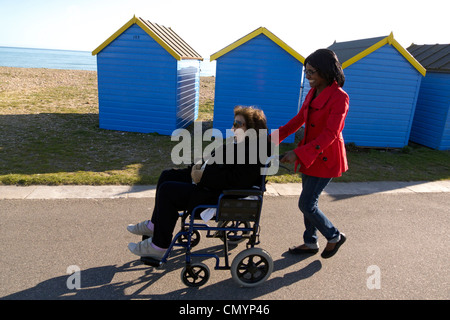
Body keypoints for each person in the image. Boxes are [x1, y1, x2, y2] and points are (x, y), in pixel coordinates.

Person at [127, 106, 270, 260]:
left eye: (237, 124)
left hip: (218, 195)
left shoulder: (255, 152)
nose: (232, 127)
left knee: (168, 191)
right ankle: (154, 226)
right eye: (234, 123)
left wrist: (202, 176)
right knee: (167, 175)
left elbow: (235, 181)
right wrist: (196, 167)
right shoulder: (240, 143)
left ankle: (159, 246)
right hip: (209, 183)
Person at [274, 49, 349, 259]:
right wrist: (271, 140)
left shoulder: (340, 97)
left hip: (325, 158)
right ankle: (310, 242)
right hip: (310, 156)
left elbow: (330, 134)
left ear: (326, 71)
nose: (308, 76)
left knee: (306, 204)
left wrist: (298, 153)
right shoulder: (312, 92)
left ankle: (334, 236)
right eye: (306, 72)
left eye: (312, 72)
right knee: (309, 203)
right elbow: (298, 120)